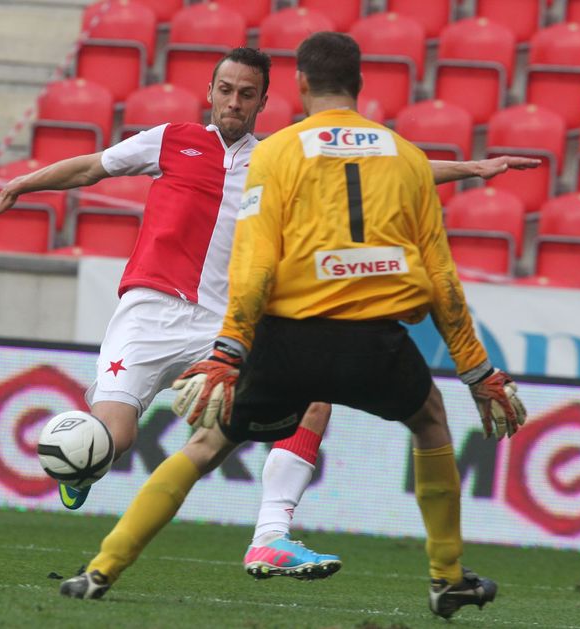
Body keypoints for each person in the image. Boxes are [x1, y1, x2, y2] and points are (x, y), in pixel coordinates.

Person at [58, 34, 528, 621]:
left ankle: (103, 567)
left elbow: (254, 262)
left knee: (206, 444)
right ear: (361, 87)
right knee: (430, 416)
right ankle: (446, 577)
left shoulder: (276, 153)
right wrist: (478, 371)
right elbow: (441, 275)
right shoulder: (402, 155)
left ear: (299, 87)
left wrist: (230, 350)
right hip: (374, 336)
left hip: (290, 335)